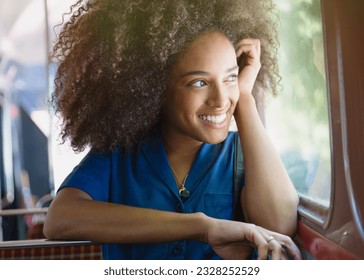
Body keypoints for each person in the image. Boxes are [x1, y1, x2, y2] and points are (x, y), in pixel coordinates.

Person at [44, 0, 301, 260]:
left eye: (230, 77)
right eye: (199, 82)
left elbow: (280, 225)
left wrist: (244, 98)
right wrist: (204, 227)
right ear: (155, 89)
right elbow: (59, 219)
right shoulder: (119, 153)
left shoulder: (242, 153)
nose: (221, 99)